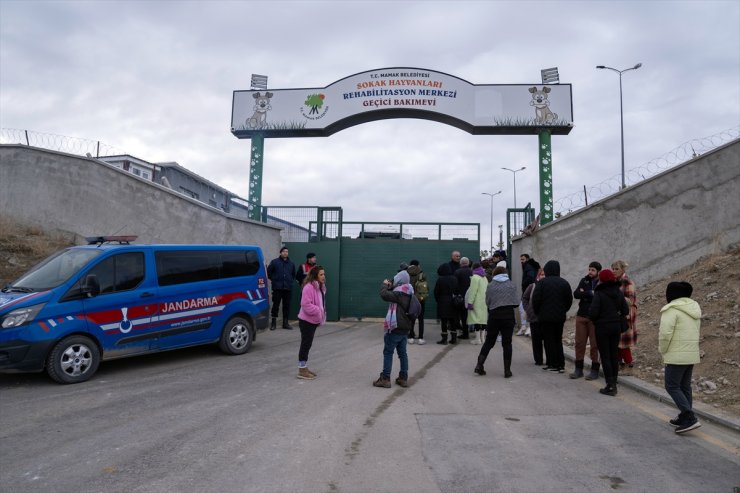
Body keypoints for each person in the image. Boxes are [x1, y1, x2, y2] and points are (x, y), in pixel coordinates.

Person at [659, 281, 702, 434]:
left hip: (676, 355)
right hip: (691, 354)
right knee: (684, 386)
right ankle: (685, 415)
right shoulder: (694, 308)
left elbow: (665, 335)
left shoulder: (671, 310)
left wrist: (662, 350)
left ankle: (689, 417)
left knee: (671, 386)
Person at [589, 268, 629, 396]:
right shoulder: (618, 292)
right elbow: (626, 310)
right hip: (616, 327)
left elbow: (593, 313)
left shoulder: (599, 293)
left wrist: (597, 320)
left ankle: (610, 385)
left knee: (605, 356)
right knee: (614, 356)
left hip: (602, 327)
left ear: (601, 279)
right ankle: (614, 383)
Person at [474, 265, 520, 378]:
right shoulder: (511, 285)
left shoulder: (491, 285)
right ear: (505, 274)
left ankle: (479, 365)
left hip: (494, 316)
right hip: (508, 316)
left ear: (494, 274)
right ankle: (507, 370)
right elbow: (516, 302)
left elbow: (487, 302)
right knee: (507, 343)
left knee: (489, 341)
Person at [531, 260, 573, 373]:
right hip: (560, 317)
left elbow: (535, 300)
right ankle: (561, 364)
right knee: (558, 340)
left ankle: (552, 364)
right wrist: (563, 310)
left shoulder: (542, 283)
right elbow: (569, 300)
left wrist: (538, 313)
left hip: (545, 317)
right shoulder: (564, 283)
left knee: (549, 340)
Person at [374, 270, 414, 388]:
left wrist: (384, 285)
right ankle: (403, 378)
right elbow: (394, 295)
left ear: (399, 281)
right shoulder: (409, 291)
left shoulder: (399, 294)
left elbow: (384, 294)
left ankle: (385, 378)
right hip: (405, 327)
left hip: (395, 327)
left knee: (388, 352)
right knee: (402, 354)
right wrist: (392, 286)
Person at [570, 261, 602, 380]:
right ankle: (578, 369)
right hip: (581, 316)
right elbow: (577, 294)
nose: (590, 272)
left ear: (598, 271)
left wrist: (585, 294)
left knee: (595, 345)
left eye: (593, 270)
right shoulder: (584, 280)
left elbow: (599, 296)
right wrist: (589, 293)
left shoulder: (601, 282)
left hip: (595, 319)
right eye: (589, 269)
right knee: (579, 343)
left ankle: (594, 370)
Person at [296, 265, 326, 380]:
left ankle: (304, 366)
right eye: (321, 274)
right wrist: (318, 311)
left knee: (308, 344)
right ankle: (302, 369)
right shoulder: (309, 287)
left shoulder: (319, 286)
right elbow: (305, 304)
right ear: (315, 275)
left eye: (324, 274)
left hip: (312, 320)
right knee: (305, 344)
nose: (324, 276)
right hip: (306, 321)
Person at [613, 260, 638, 374]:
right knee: (617, 342)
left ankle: (629, 365)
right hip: (617, 315)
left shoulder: (628, 282)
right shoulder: (615, 282)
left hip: (626, 316)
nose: (614, 271)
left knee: (623, 343)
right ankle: (620, 364)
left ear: (623, 269)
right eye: (613, 269)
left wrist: (616, 296)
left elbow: (631, 301)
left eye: (616, 269)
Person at [266, 246, 296, 330]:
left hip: (287, 288)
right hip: (277, 288)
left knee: (286, 306)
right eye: (283, 251)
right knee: (275, 305)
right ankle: (273, 323)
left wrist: (289, 281)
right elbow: (269, 272)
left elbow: (293, 274)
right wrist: (274, 279)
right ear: (280, 253)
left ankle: (285, 323)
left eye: (286, 251)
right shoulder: (274, 262)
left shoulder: (291, 263)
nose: (285, 253)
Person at [521, 267, 545, 365]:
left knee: (547, 340)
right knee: (536, 340)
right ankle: (538, 360)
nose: (543, 276)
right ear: (538, 276)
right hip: (534, 318)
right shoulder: (532, 286)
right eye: (541, 274)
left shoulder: (549, 286)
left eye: (544, 274)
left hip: (546, 318)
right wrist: (528, 309)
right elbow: (525, 298)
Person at [434, 264, 461, 345]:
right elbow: (457, 290)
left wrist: (438, 300)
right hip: (453, 302)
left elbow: (436, 292)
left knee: (444, 321)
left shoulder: (440, 279)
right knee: (453, 321)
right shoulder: (454, 278)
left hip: (443, 302)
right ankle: (454, 339)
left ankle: (444, 339)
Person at [465, 262, 488, 345]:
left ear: (473, 269)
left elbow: (472, 291)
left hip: (476, 302)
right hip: (484, 302)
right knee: (483, 320)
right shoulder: (484, 277)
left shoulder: (475, 277)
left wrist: (470, 302)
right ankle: (483, 338)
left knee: (476, 320)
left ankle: (477, 339)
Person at [407, 259, 428, 345]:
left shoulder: (406, 273)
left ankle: (411, 337)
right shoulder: (422, 273)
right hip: (420, 299)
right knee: (421, 318)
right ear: (418, 265)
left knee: (411, 318)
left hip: (410, 299)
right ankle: (420, 338)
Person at [517, 255, 539, 336]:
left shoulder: (528, 267)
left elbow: (530, 277)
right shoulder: (528, 266)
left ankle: (525, 327)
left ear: (527, 259)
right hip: (528, 290)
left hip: (529, 290)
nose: (521, 261)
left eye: (523, 259)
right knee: (524, 308)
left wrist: (524, 284)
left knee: (522, 307)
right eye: (520, 259)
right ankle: (526, 327)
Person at [454, 257, 473, 339]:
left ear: (461, 263)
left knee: (460, 315)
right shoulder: (472, 272)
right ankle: (473, 331)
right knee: (469, 315)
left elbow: (455, 285)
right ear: (468, 263)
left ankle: (463, 332)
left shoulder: (457, 272)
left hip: (460, 297)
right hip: (471, 297)